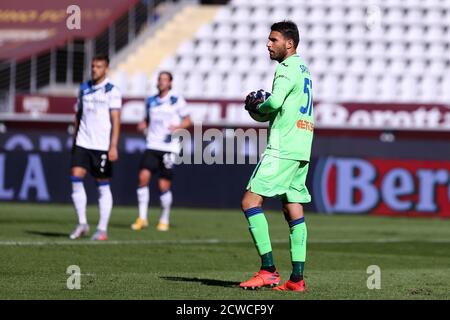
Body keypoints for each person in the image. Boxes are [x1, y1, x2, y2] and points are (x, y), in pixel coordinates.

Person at [240, 21, 314, 292]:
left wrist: (258, 106)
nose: (268, 44)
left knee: (250, 202)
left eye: (273, 40)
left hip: (283, 148)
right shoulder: (304, 69)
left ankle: (268, 270)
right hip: (302, 146)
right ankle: (297, 279)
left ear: (289, 43)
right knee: (292, 207)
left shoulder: (284, 68)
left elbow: (275, 103)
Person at [69, 54, 122, 241]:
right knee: (75, 177)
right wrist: (75, 138)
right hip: (83, 142)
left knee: (102, 184)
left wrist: (113, 146)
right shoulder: (84, 88)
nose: (94, 69)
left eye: (99, 66)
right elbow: (78, 114)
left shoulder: (112, 91)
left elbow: (116, 120)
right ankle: (82, 223)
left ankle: (102, 229)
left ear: (106, 69)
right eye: (93, 66)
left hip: (101, 145)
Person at [131, 71, 192, 232]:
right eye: (160, 79)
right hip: (152, 144)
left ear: (170, 83)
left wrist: (178, 127)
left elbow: (188, 120)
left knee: (163, 185)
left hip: (169, 147)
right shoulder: (150, 101)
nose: (161, 82)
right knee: (142, 178)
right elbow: (147, 120)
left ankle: (164, 218)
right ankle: (142, 218)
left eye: (165, 80)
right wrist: (143, 124)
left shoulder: (176, 100)